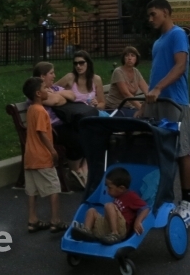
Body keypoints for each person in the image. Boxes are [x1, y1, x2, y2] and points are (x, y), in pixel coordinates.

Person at [144, 0, 190, 226]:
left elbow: (180, 66)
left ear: (165, 12)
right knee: (161, 151)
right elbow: (156, 73)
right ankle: (164, 202)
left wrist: (158, 88)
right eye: (149, 15)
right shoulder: (158, 42)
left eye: (154, 14)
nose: (150, 19)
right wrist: (146, 104)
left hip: (176, 101)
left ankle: (187, 204)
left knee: (182, 151)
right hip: (158, 102)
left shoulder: (177, 34)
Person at [21, 77, 65, 233]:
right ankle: (55, 220)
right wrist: (52, 150)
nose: (48, 90)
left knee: (32, 190)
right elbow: (41, 132)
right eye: (46, 89)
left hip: (30, 157)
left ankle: (32, 220)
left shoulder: (32, 109)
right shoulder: (41, 111)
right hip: (42, 156)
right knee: (54, 187)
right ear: (38, 93)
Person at [33, 61, 86, 187]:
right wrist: (59, 97)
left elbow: (72, 95)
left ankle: (77, 172)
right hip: (50, 129)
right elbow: (55, 101)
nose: (54, 76)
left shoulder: (54, 88)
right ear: (42, 76)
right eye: (51, 73)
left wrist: (56, 95)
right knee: (76, 139)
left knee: (88, 133)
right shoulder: (35, 91)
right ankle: (75, 172)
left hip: (64, 123)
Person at [70, 167, 149, 245]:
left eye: (110, 188)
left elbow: (146, 208)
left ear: (121, 188)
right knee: (92, 211)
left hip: (121, 229)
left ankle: (115, 234)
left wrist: (138, 221)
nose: (107, 190)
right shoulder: (117, 197)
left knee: (108, 205)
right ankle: (87, 231)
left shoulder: (131, 196)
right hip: (108, 228)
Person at [106, 46, 148, 116]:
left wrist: (152, 100)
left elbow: (147, 90)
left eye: (132, 55)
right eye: (127, 55)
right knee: (142, 117)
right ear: (123, 58)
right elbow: (126, 94)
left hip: (129, 107)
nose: (129, 58)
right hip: (115, 108)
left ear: (136, 59)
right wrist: (141, 108)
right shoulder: (118, 71)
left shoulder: (136, 72)